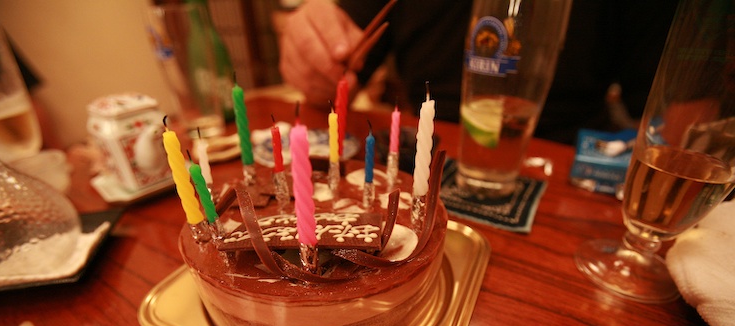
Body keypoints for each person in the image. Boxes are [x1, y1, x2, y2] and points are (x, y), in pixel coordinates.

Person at [279, 0, 680, 144]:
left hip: (569, 164)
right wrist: (314, 54)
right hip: (424, 152)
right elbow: (335, 79)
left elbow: (677, 116)